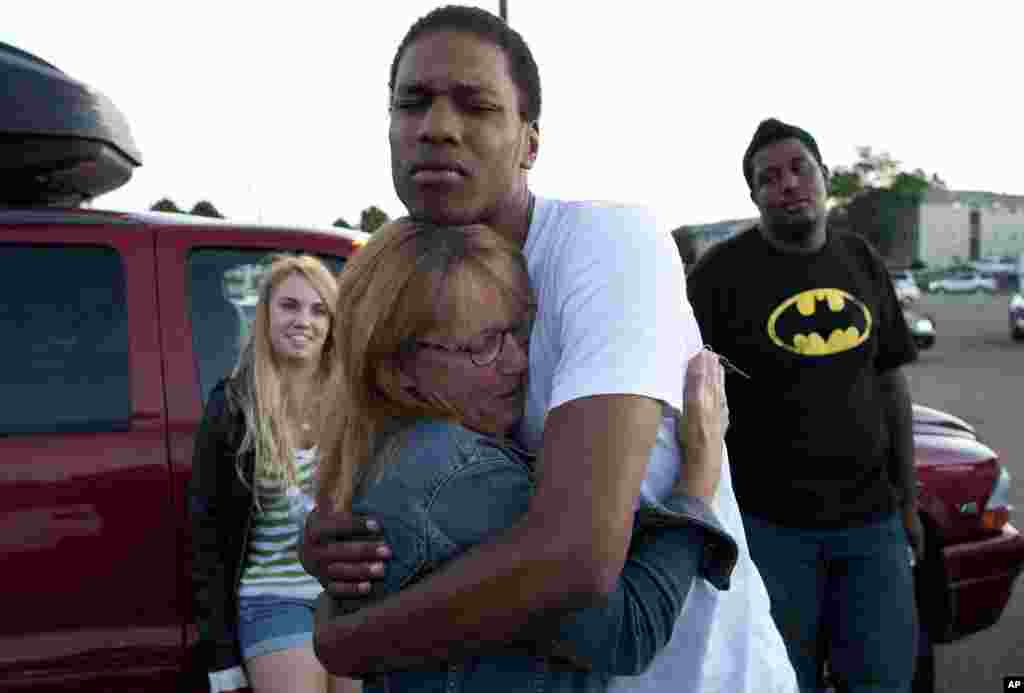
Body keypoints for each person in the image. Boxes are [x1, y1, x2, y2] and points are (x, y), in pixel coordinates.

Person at [301, 6, 797, 691]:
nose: (437, 126)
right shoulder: (414, 281)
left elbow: (574, 557)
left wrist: (341, 640)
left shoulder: (605, 244)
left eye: (476, 105)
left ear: (530, 143)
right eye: (412, 103)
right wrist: (353, 553)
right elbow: (403, 489)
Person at [312, 217, 735, 690]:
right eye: (485, 346)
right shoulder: (459, 475)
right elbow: (628, 631)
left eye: (519, 333)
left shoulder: (383, 451)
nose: (517, 362)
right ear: (398, 372)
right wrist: (697, 476)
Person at [686, 117, 923, 693]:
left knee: (884, 677)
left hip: (872, 523)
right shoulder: (720, 274)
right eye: (768, 178)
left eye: (799, 169)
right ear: (754, 196)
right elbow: (690, 396)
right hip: (770, 529)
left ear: (824, 176)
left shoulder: (860, 260)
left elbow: (891, 383)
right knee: (780, 680)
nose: (788, 183)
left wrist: (908, 500)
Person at [188, 254, 361, 693]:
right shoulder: (233, 406)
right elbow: (206, 536)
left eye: (319, 310)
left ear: (333, 324)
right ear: (265, 313)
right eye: (289, 306)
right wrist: (220, 654)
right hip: (272, 598)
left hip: (351, 598)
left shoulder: (355, 405)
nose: (304, 320)